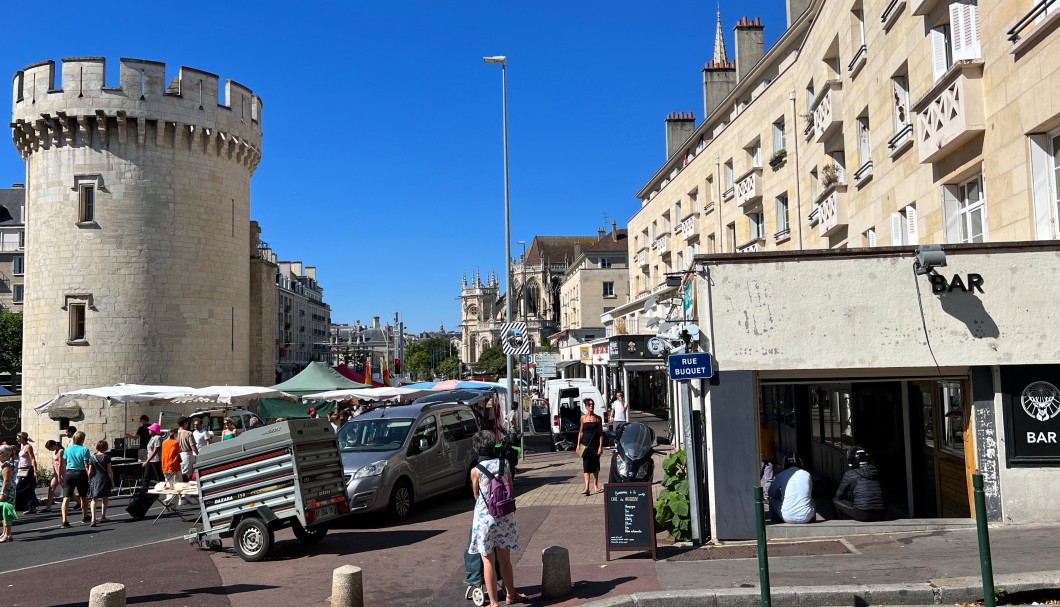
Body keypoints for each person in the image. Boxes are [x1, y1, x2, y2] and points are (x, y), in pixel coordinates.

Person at [468, 430, 527, 607]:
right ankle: (511, 595)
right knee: (505, 559)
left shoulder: (476, 471)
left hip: (485, 519)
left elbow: (476, 495)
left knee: (488, 560)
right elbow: (510, 487)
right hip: (504, 516)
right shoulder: (505, 464)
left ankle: (494, 603)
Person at [833, 447, 887, 522]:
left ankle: (840, 523)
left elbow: (839, 495)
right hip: (881, 513)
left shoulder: (850, 474)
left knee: (835, 500)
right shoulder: (875, 471)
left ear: (851, 461)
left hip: (862, 514)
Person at [767, 453, 815, 524]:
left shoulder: (781, 475)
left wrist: (780, 493)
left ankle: (775, 522)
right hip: (806, 517)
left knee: (772, 499)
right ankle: (813, 522)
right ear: (800, 463)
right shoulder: (807, 474)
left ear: (784, 464)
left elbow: (771, 493)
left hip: (787, 517)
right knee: (811, 500)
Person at [60, 431, 91, 528]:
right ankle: (85, 516)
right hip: (81, 473)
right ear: (83, 439)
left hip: (69, 473)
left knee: (66, 497)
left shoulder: (67, 450)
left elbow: (64, 462)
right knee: (83, 496)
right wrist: (89, 474)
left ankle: (65, 520)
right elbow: (86, 464)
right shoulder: (84, 450)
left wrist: (61, 474)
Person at [576, 398, 604, 495]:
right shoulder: (583, 418)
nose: (591, 406)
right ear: (586, 406)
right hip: (585, 445)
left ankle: (596, 486)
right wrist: (578, 445)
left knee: (595, 466)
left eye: (592, 404)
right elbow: (581, 432)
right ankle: (587, 487)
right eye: (590, 405)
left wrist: (601, 446)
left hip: (595, 445)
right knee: (586, 466)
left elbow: (601, 433)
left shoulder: (598, 418)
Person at [87, 440, 114, 526]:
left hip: (95, 479)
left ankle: (93, 518)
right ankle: (103, 516)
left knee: (94, 499)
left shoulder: (92, 457)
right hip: (105, 478)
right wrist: (112, 481)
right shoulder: (107, 457)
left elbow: (90, 471)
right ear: (105, 448)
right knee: (105, 498)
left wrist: (89, 479)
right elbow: (110, 471)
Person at [14, 432, 40, 515]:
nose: (17, 439)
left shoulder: (28, 447)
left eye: (18, 437)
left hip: (27, 470)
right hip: (22, 469)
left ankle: (26, 506)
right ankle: (32, 506)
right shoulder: (22, 447)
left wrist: (35, 470)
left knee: (19, 488)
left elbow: (32, 459)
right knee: (28, 488)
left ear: (21, 438)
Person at [160, 428, 182, 506]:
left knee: (169, 484)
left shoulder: (164, 442)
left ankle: (169, 498)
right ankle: (178, 500)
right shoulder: (175, 443)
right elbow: (175, 456)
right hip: (174, 466)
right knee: (177, 484)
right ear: (175, 434)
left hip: (165, 466)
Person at [42, 440, 65, 512]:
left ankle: (79, 503)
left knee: (67, 489)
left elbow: (61, 464)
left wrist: (59, 476)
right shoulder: (55, 451)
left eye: (49, 448)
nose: (50, 450)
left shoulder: (61, 451)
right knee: (51, 488)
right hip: (56, 473)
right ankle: (48, 507)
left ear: (53, 445)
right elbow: (54, 463)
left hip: (61, 473)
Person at [1, 444, 17, 542]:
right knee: (3, 512)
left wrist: (3, 493)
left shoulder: (7, 464)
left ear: (3, 453)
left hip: (7, 491)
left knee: (6, 512)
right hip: (2, 489)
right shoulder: (3, 463)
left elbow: (6, 480)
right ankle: (4, 532)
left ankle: (8, 534)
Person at [760, 414, 777, 495]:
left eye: (765, 418)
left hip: (770, 458)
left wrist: (775, 457)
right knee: (757, 477)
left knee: (769, 479)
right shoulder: (756, 431)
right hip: (759, 459)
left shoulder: (770, 431)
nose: (764, 420)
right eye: (762, 418)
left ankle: (767, 496)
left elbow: (772, 444)